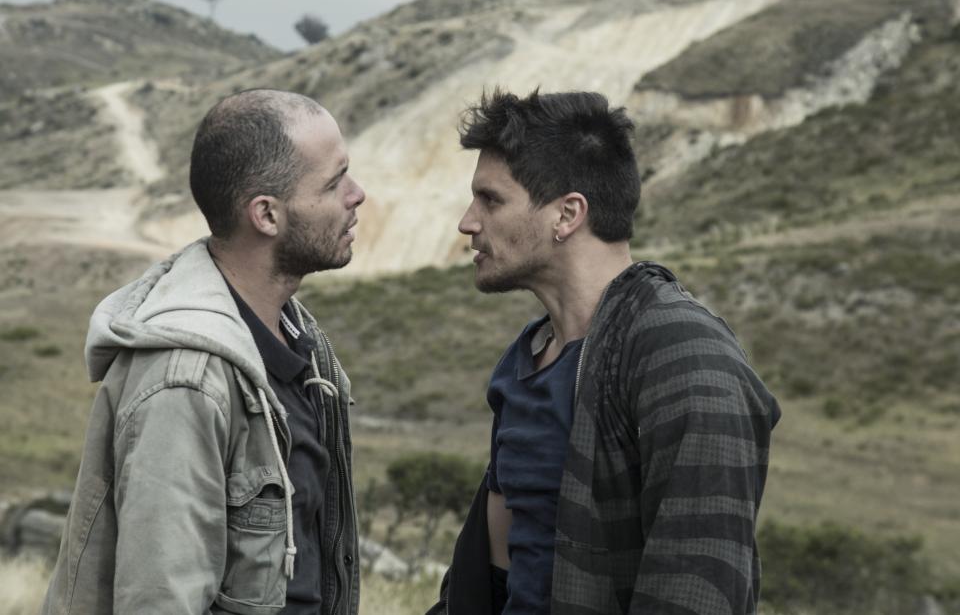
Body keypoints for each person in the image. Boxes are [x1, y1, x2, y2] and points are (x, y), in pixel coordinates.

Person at [429, 89, 781, 615]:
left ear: (567, 214)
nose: (468, 222)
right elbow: (494, 576)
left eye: (491, 200)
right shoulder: (525, 360)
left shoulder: (684, 355)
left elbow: (698, 591)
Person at [42, 89, 364, 615]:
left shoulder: (294, 337)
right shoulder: (185, 383)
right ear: (267, 215)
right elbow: (161, 601)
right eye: (334, 182)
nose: (357, 194)